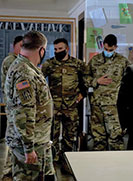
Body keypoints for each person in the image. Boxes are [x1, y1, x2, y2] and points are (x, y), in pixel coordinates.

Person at [4, 31, 55, 180]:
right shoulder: (24, 73)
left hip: (40, 142)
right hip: (31, 145)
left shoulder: (27, 67)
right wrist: (28, 149)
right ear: (42, 50)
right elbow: (24, 114)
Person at [41, 38, 87, 167]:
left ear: (67, 49)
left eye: (60, 49)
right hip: (54, 107)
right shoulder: (49, 64)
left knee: (70, 136)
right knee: (52, 136)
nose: (57, 51)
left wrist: (82, 94)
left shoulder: (77, 64)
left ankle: (67, 159)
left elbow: (86, 79)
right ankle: (53, 161)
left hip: (71, 107)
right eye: (55, 49)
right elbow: (39, 80)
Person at [84, 34, 130, 151]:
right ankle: (99, 165)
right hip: (97, 105)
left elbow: (130, 81)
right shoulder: (95, 60)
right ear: (103, 46)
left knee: (116, 137)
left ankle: (117, 165)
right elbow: (85, 78)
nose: (107, 51)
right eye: (105, 49)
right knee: (98, 138)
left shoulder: (123, 62)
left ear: (115, 47)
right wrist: (96, 81)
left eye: (110, 50)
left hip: (114, 106)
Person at [0, 35, 23, 181]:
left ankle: (9, 170)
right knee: (11, 139)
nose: (23, 48)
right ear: (14, 46)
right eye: (21, 45)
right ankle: (7, 172)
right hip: (13, 107)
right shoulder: (11, 61)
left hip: (16, 107)